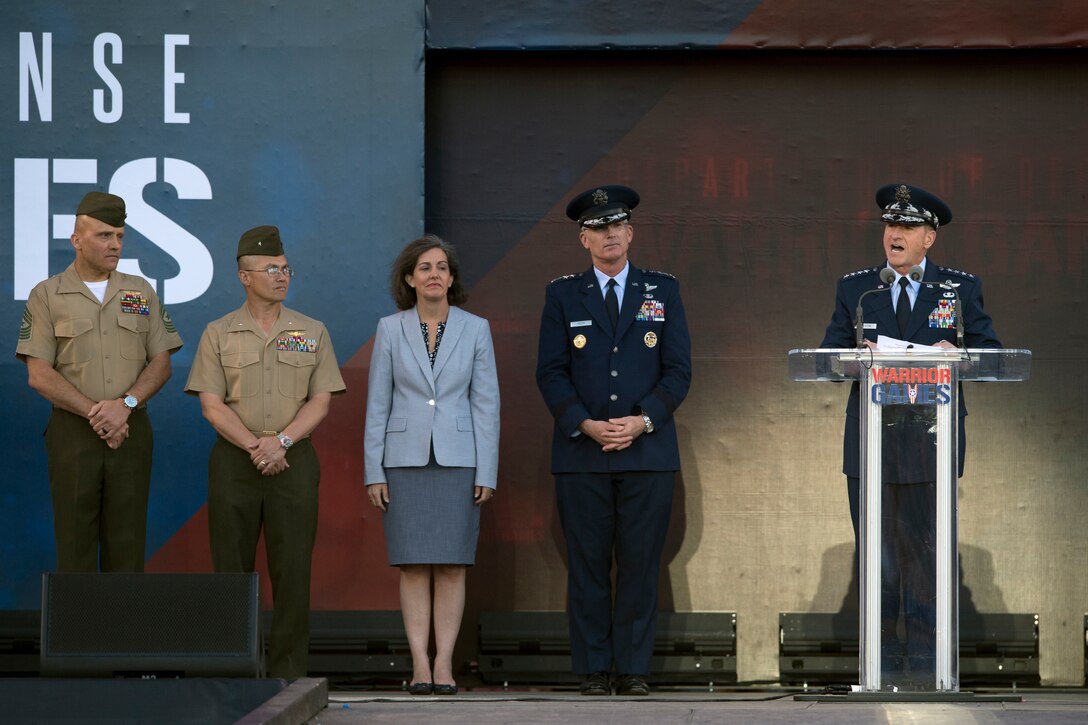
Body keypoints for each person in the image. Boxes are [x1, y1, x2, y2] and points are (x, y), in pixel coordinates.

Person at [819, 183, 1002, 686]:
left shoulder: (959, 290)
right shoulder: (859, 289)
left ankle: (925, 668)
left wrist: (956, 354)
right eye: (889, 226)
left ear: (929, 238)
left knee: (924, 560)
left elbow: (989, 355)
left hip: (931, 445)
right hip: (871, 447)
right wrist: (857, 358)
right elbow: (830, 357)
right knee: (878, 564)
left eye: (906, 227)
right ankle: (878, 668)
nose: (893, 235)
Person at [535, 185, 692, 696]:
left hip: (647, 453)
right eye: (598, 228)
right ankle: (595, 668)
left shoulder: (662, 290)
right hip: (582, 453)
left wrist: (642, 420)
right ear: (584, 239)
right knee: (587, 568)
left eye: (616, 226)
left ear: (631, 232)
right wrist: (585, 423)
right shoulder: (562, 294)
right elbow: (551, 373)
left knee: (641, 566)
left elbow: (678, 372)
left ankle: (634, 669)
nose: (609, 235)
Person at [184, 225, 346, 679]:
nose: (281, 276)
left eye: (285, 268)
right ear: (244, 275)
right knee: (231, 573)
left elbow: (321, 400)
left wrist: (283, 442)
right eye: (271, 269)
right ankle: (235, 670)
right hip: (236, 461)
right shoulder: (219, 333)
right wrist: (257, 446)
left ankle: (288, 674)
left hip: (293, 461)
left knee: (293, 571)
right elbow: (212, 406)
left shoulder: (311, 331)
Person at [16, 191, 182, 572]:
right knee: (74, 546)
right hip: (74, 433)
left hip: (132, 430)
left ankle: (123, 632)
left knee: (127, 545)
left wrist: (123, 408)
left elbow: (161, 362)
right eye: (104, 236)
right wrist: (99, 414)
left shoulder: (140, 291)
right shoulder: (47, 295)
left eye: (120, 236)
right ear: (76, 240)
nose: (115, 245)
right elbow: (38, 374)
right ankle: (77, 632)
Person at [365, 234, 499, 696]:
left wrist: (487, 472)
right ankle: (419, 664)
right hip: (403, 462)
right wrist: (373, 470)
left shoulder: (476, 328)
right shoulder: (390, 328)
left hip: (460, 461)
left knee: (453, 566)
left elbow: (486, 406)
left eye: (442, 266)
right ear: (409, 278)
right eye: (425, 267)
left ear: (452, 278)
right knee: (414, 566)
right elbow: (377, 405)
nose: (435, 274)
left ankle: (445, 665)